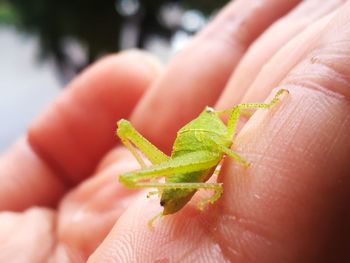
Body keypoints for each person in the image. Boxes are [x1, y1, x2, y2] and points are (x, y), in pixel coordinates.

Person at [1, 0, 350, 262]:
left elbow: (240, 111)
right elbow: (222, 145)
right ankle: (156, 181)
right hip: (181, 179)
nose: (214, 113)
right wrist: (212, 177)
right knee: (144, 134)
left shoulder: (216, 123)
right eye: (210, 112)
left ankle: (160, 182)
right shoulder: (209, 135)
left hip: (184, 175)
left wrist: (269, 108)